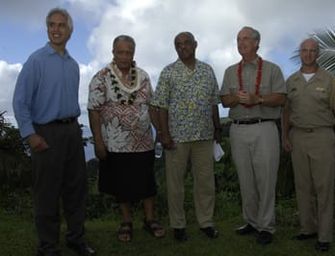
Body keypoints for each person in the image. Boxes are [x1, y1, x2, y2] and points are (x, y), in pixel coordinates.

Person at [12, 8, 95, 256]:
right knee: (47, 193)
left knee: (75, 189)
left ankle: (75, 239)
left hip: (72, 131)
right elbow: (20, 101)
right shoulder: (36, 61)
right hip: (46, 133)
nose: (56, 29)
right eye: (51, 25)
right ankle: (47, 247)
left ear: (70, 31)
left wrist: (76, 131)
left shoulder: (73, 66)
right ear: (47, 28)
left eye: (61, 25)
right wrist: (30, 134)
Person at [87, 35, 165, 242]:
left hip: (143, 141)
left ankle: (150, 219)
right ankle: (126, 222)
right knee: (120, 186)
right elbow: (93, 111)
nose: (124, 56)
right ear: (113, 52)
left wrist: (161, 133)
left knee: (147, 183)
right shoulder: (101, 77)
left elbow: (153, 106)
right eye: (120, 52)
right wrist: (98, 142)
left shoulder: (143, 76)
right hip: (115, 143)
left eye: (128, 52)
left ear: (133, 54)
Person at [151, 31, 221, 241]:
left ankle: (206, 222)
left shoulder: (207, 71)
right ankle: (178, 225)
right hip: (176, 138)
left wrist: (217, 128)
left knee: (205, 182)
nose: (183, 47)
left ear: (195, 44)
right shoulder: (168, 72)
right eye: (178, 44)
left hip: (204, 137)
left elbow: (213, 102)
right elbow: (160, 106)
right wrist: (163, 134)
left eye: (186, 43)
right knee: (175, 185)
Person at [220, 26, 286, 245]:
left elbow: (281, 98)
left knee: (266, 179)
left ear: (257, 43)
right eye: (238, 39)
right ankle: (251, 221)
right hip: (237, 129)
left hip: (264, 127)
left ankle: (266, 226)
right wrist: (235, 99)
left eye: (245, 38)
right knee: (245, 179)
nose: (241, 42)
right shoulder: (230, 71)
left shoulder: (272, 69)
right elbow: (224, 100)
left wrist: (257, 99)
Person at [282, 38, 335, 252]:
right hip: (298, 138)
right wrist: (284, 136)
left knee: (324, 187)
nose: (308, 54)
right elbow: (286, 112)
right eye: (304, 50)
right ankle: (307, 228)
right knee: (303, 187)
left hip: (323, 137)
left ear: (317, 53)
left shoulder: (329, 80)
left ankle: (324, 235)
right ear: (299, 53)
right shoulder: (291, 81)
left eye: (312, 50)